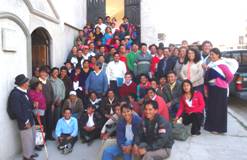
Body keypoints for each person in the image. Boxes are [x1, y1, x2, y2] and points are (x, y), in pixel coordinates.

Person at [8, 74, 38, 160]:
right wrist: (26, 121)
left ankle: (31, 153)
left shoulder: (25, 91)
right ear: (23, 83)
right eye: (27, 82)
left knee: (32, 136)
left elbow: (28, 104)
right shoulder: (15, 94)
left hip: (30, 118)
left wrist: (33, 104)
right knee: (27, 140)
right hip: (24, 121)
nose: (28, 83)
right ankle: (26, 157)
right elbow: (17, 110)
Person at [204, 48, 234, 134]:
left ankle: (219, 129)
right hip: (211, 89)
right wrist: (206, 89)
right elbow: (206, 78)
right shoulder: (211, 64)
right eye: (210, 54)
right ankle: (211, 127)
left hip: (220, 89)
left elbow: (230, 76)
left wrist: (223, 83)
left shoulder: (222, 65)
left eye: (213, 54)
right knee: (212, 108)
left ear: (218, 55)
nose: (211, 56)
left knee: (219, 109)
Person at [38, 66, 55, 140]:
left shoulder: (48, 82)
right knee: (42, 121)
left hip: (49, 105)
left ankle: (49, 135)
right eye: (42, 72)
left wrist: (52, 104)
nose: (44, 74)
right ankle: (43, 138)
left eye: (46, 73)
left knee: (49, 120)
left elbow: (52, 93)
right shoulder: (37, 82)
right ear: (39, 73)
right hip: (41, 106)